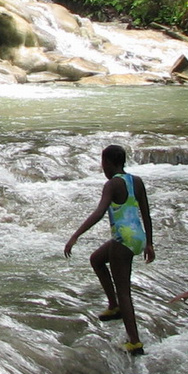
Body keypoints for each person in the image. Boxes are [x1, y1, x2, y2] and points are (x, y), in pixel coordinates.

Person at [64, 144, 154, 356]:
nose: (102, 166)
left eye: (103, 162)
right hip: (138, 237)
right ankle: (113, 306)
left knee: (124, 291)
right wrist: (149, 243)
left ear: (109, 163)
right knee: (96, 259)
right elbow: (146, 213)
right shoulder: (136, 181)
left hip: (123, 240)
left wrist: (76, 235)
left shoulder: (112, 184)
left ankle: (135, 342)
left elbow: (100, 212)